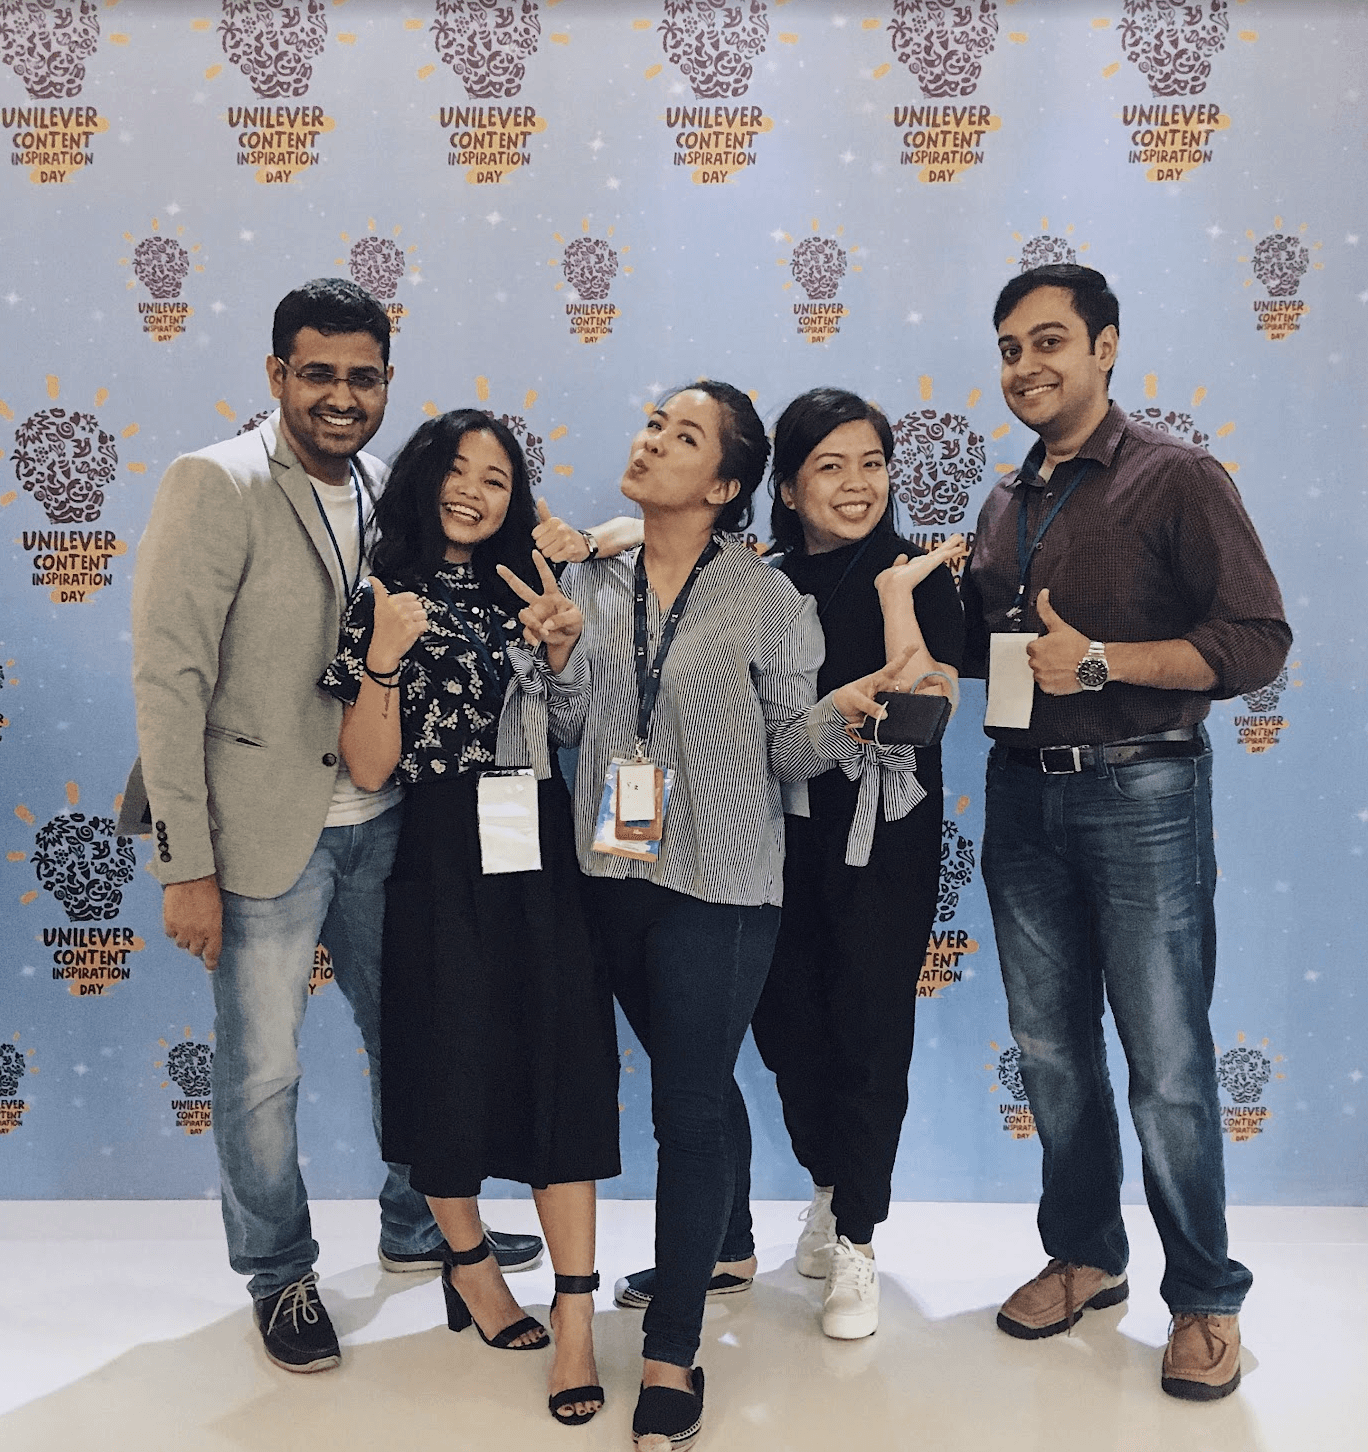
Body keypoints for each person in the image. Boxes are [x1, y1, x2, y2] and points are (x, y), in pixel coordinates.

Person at [125, 278, 541, 1375]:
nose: (340, 396)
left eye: (362, 377)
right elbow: (169, 681)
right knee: (261, 1071)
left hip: (389, 820)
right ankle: (280, 1272)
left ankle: (421, 1223)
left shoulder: (390, 488)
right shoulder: (215, 481)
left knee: (413, 1039)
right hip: (263, 833)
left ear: (387, 384)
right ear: (277, 375)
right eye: (317, 374)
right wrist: (184, 864)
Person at [500, 382, 912, 1449]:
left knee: (683, 1109)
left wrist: (842, 713)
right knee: (691, 1084)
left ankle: (673, 1350)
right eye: (652, 425)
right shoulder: (589, 578)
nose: (650, 443)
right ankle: (724, 1243)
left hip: (721, 884)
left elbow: (785, 752)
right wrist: (555, 660)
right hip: (608, 874)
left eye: (682, 437)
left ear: (725, 486)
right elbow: (572, 727)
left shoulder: (767, 598)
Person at [960, 264, 1290, 1400]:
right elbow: (991, 654)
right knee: (1050, 1051)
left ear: (1105, 346)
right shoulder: (1006, 501)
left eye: (1049, 341)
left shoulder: (1177, 477)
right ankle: (1087, 1255)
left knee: (1168, 1063)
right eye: (1010, 349)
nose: (1026, 367)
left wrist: (1100, 662)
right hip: (1021, 798)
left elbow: (1256, 640)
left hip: (1144, 795)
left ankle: (1204, 1296)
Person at [320, 409, 620, 1425]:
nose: (474, 490)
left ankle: (574, 1317)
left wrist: (565, 651)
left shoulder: (530, 581)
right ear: (424, 477)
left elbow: (570, 727)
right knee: (441, 1062)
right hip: (439, 849)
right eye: (457, 468)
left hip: (535, 838)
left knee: (563, 1066)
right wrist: (385, 657)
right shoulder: (379, 591)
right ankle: (471, 1267)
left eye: (496, 478)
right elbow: (369, 766)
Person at [749, 387, 966, 1341]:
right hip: (774, 835)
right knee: (787, 1023)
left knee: (872, 1030)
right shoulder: (761, 581)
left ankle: (861, 1242)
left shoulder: (920, 574)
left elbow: (920, 713)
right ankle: (829, 1188)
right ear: (788, 488)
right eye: (829, 466)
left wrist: (893, 599)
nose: (856, 484)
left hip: (885, 839)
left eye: (872, 463)